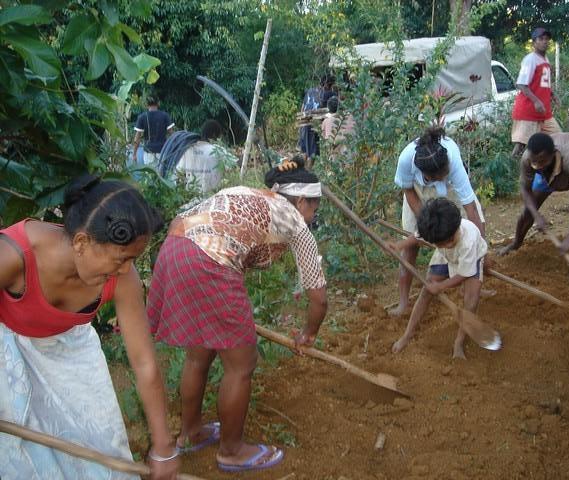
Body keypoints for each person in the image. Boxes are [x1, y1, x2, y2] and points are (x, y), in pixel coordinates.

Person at [147, 156, 328, 472]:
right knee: (242, 365)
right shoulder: (296, 222)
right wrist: (308, 334)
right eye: (314, 208)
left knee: (198, 354)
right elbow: (318, 296)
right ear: (301, 201)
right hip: (211, 261)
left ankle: (191, 433)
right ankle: (231, 451)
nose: (313, 216)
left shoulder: (254, 194)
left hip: (175, 246)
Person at [0, 175, 179, 480]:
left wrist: (164, 447)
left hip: (73, 356)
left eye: (132, 260)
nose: (126, 270)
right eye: (121, 259)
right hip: (9, 358)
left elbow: (144, 362)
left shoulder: (123, 277)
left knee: (101, 454)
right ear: (82, 242)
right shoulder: (12, 255)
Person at [391, 126, 485, 316]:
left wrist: (481, 249)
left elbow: (471, 209)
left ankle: (472, 278)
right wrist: (426, 223)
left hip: (449, 191)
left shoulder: (453, 162)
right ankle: (403, 302)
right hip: (417, 191)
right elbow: (408, 190)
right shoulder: (406, 160)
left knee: (470, 240)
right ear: (427, 174)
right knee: (411, 244)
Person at [390, 198, 488, 359]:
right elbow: (416, 237)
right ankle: (407, 334)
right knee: (427, 290)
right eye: (442, 243)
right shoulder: (433, 229)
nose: (449, 244)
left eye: (451, 240)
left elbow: (464, 274)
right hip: (446, 258)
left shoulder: (468, 241)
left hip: (472, 258)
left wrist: (441, 287)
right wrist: (399, 245)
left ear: (457, 226)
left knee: (471, 301)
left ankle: (459, 342)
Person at [498, 132, 569, 267]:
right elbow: (525, 190)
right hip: (547, 174)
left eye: (542, 161)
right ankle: (516, 242)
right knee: (529, 209)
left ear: (552, 154)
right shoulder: (528, 159)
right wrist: (536, 215)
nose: (538, 165)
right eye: (535, 162)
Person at [511, 27, 562, 159]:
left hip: (544, 112)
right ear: (534, 42)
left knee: (559, 139)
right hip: (529, 111)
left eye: (546, 39)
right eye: (541, 39)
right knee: (521, 145)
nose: (545, 42)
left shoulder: (545, 60)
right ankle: (510, 171)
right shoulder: (530, 59)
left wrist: (552, 94)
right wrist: (536, 101)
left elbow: (543, 83)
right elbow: (521, 84)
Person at [174, 120, 238, 194]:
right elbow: (234, 165)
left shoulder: (188, 150)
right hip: (212, 196)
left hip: (190, 196)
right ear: (215, 135)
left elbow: (178, 172)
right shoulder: (218, 150)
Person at [298, 74, 337, 163]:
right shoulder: (329, 93)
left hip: (303, 122)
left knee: (305, 152)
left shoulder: (310, 90)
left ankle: (302, 172)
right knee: (313, 154)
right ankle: (307, 174)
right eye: (332, 85)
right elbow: (336, 104)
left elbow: (303, 107)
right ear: (328, 85)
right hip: (313, 125)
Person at [133, 96, 175, 165]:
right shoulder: (165, 116)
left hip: (148, 152)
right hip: (162, 151)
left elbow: (137, 138)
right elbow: (172, 135)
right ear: (158, 103)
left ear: (146, 105)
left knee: (149, 174)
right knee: (161, 174)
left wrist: (134, 154)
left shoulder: (142, 117)